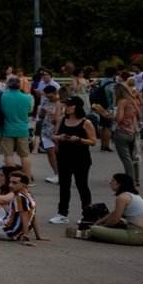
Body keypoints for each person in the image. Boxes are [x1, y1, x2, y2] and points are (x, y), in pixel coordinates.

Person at [50, 95, 98, 225]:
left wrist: (79, 139)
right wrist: (59, 137)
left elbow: (93, 141)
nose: (67, 108)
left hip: (80, 157)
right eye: (66, 106)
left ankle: (87, 213)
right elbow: (54, 135)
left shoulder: (85, 122)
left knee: (82, 185)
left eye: (70, 106)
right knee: (64, 185)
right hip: (64, 156)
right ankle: (62, 213)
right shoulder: (62, 119)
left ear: (77, 107)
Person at [68, 173, 143, 246]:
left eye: (113, 181)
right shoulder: (133, 195)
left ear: (119, 184)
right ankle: (90, 232)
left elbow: (115, 220)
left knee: (95, 230)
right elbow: (114, 213)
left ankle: (87, 233)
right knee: (99, 227)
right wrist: (98, 222)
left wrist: (101, 226)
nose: (110, 182)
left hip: (138, 235)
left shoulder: (122, 198)